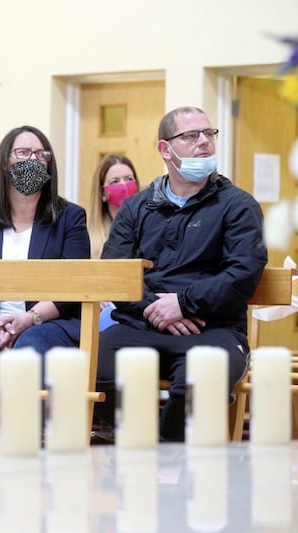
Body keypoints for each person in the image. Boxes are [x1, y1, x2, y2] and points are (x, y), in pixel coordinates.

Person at [96, 106, 268, 442]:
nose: (204, 142)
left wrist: (185, 303)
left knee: (201, 378)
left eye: (209, 134)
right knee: (96, 367)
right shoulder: (136, 208)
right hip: (141, 324)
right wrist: (154, 308)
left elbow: (243, 273)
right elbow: (115, 272)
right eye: (191, 136)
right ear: (165, 149)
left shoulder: (238, 206)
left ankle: (167, 457)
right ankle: (139, 449)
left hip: (214, 328)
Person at [0, 126, 90, 442]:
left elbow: (72, 286)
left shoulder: (70, 218)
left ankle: (26, 444)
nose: (33, 160)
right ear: (5, 163)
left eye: (41, 154)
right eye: (23, 153)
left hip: (50, 319)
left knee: (29, 351)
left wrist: (29, 318)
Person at [86, 154, 140, 331]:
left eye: (129, 179)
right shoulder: (89, 234)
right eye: (115, 181)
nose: (124, 185)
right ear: (103, 193)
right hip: (103, 312)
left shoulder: (150, 227)